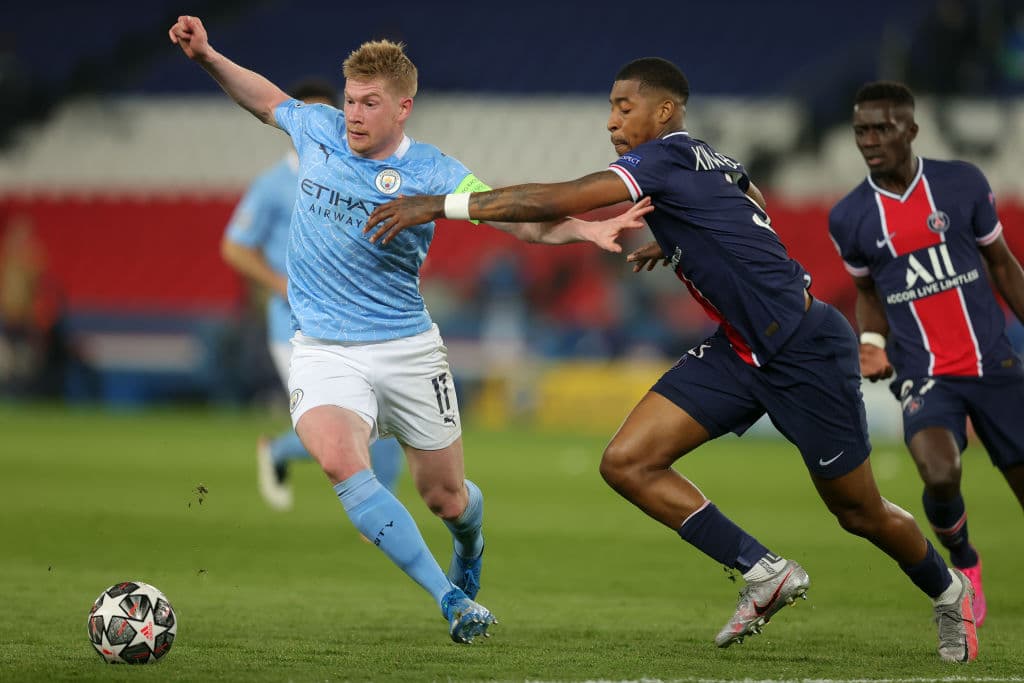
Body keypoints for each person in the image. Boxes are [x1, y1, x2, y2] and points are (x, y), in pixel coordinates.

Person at [365, 57, 980, 662]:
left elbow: (561, 198)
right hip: (740, 350)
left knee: (859, 511)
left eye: (623, 106)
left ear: (664, 111)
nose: (611, 121)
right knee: (627, 462)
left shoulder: (661, 157)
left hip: (805, 349)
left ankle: (947, 590)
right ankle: (763, 571)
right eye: (610, 108)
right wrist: (682, 238)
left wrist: (438, 206)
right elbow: (749, 198)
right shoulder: (709, 158)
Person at [169, 15, 650, 644]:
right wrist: (208, 56)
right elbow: (265, 99)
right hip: (322, 348)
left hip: (406, 350)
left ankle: (469, 545)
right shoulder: (318, 129)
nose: (353, 114)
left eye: (370, 103)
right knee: (340, 461)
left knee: (447, 499)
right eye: (350, 99)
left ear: (403, 107)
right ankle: (451, 600)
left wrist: (583, 229)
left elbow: (515, 218)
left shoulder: (431, 170)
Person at [828, 80, 1024, 628]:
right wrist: (871, 343)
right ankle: (964, 563)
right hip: (925, 373)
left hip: (993, 364)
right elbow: (868, 293)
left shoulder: (961, 184)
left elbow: (1003, 264)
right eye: (861, 131)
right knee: (939, 472)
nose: (869, 140)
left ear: (911, 129)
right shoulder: (850, 217)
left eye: (881, 128)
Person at [221, 77, 404, 511]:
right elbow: (234, 247)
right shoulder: (272, 185)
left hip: (353, 321)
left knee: (382, 418)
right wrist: (281, 284)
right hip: (294, 328)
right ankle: (283, 451)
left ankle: (381, 518)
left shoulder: (354, 175)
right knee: (344, 424)